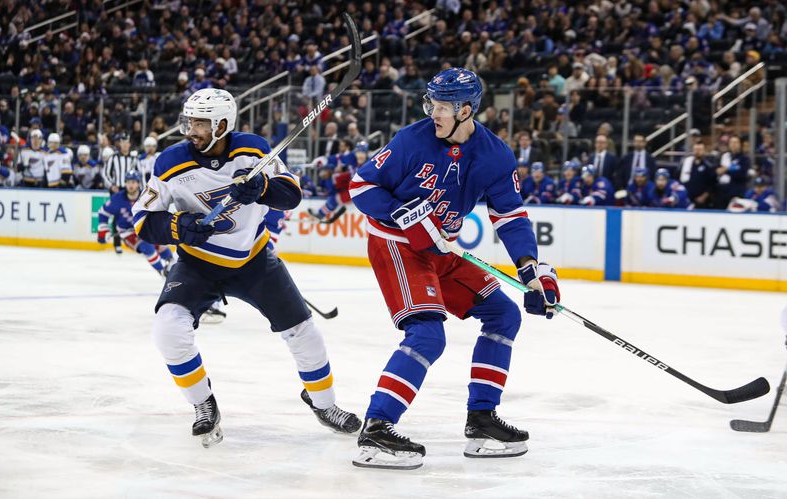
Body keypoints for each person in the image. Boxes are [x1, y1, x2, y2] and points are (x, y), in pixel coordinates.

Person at [349, 68, 561, 469]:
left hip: (442, 249)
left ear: (466, 110)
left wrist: (532, 270)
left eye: (442, 106)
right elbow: (361, 186)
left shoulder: (495, 154)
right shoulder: (412, 140)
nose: (433, 113)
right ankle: (376, 429)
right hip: (398, 246)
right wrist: (402, 215)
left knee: (503, 314)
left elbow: (511, 215)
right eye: (430, 103)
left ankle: (481, 420)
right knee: (428, 334)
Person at [130, 88, 361, 448]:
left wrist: (262, 187)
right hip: (197, 265)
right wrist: (178, 227)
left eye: (200, 123)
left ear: (222, 125)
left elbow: (291, 194)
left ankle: (324, 403)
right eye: (189, 121)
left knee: (305, 333)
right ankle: (203, 403)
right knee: (167, 330)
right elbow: (143, 221)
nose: (191, 129)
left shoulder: (253, 149)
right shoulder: (170, 161)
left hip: (254, 260)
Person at [98, 170, 175, 275]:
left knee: (159, 243)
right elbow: (103, 213)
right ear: (125, 183)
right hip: (128, 232)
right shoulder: (117, 199)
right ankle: (162, 272)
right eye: (128, 182)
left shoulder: (146, 196)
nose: (131, 185)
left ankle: (171, 262)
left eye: (134, 182)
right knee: (146, 246)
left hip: (145, 227)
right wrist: (103, 230)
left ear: (139, 183)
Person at [679, 142, 716, 209]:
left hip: (701, 201)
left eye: (700, 149)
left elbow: (712, 185)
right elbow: (678, 178)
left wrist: (703, 197)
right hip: (686, 199)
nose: (697, 152)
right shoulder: (686, 164)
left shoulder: (708, 166)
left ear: (704, 151)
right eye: (696, 149)